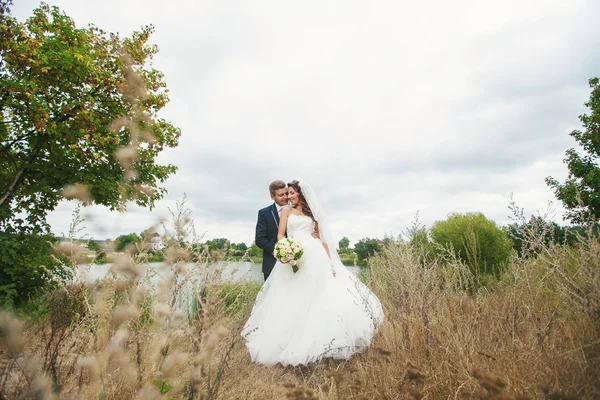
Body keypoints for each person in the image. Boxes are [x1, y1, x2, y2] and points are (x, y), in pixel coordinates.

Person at [242, 180, 384, 366]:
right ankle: (291, 340)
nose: (289, 196)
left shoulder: (312, 214)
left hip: (316, 256)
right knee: (294, 296)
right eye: (287, 193)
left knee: (322, 294)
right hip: (297, 255)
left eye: (292, 193)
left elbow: (322, 238)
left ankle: (326, 340)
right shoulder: (286, 211)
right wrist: (286, 250)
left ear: (301, 194)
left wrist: (331, 262)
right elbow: (280, 235)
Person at [254, 180, 289, 281]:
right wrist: (280, 252)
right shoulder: (264, 213)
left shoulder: (296, 211)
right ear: (272, 197)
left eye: (286, 193)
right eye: (281, 195)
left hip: (295, 264)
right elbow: (260, 239)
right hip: (272, 264)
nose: (286, 197)